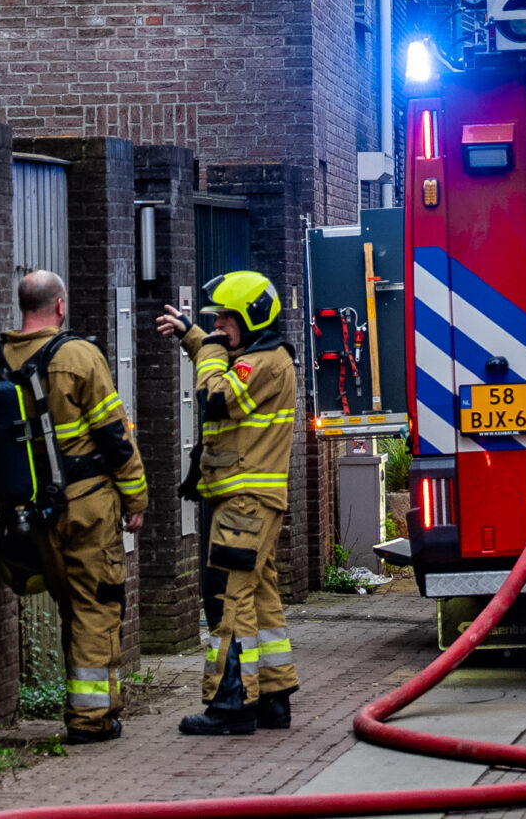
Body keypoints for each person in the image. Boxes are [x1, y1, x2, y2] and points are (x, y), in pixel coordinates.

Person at [0, 269, 147, 745]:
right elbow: (114, 435)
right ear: (59, 305)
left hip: (30, 514)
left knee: (73, 606)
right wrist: (136, 497)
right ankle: (91, 719)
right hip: (86, 507)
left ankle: (103, 709)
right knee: (97, 605)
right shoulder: (78, 356)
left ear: (22, 305)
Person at [160, 270, 298, 736]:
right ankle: (274, 699)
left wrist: (210, 347)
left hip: (245, 503)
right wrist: (192, 335)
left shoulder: (264, 363)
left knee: (228, 600)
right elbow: (223, 363)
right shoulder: (259, 356)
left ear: (252, 318)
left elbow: (215, 396)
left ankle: (230, 703)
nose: (219, 326)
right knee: (260, 597)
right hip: (250, 502)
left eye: (226, 319)